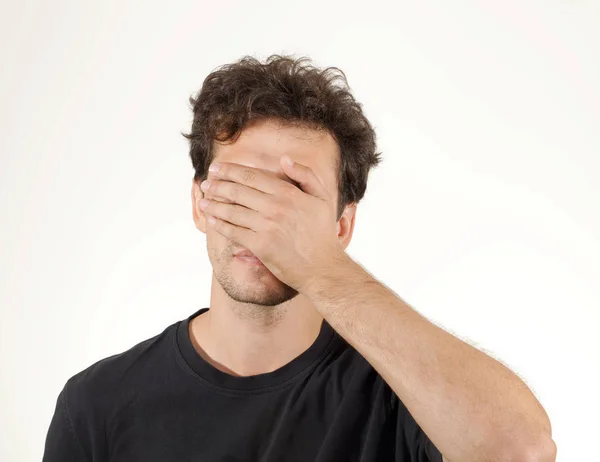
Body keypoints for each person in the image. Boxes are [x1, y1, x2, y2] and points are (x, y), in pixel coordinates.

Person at [43, 55, 555, 462]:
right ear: (199, 203)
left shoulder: (406, 394)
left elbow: (521, 451)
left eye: (293, 194)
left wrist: (317, 264)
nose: (265, 220)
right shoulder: (97, 405)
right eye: (240, 189)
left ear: (342, 225)